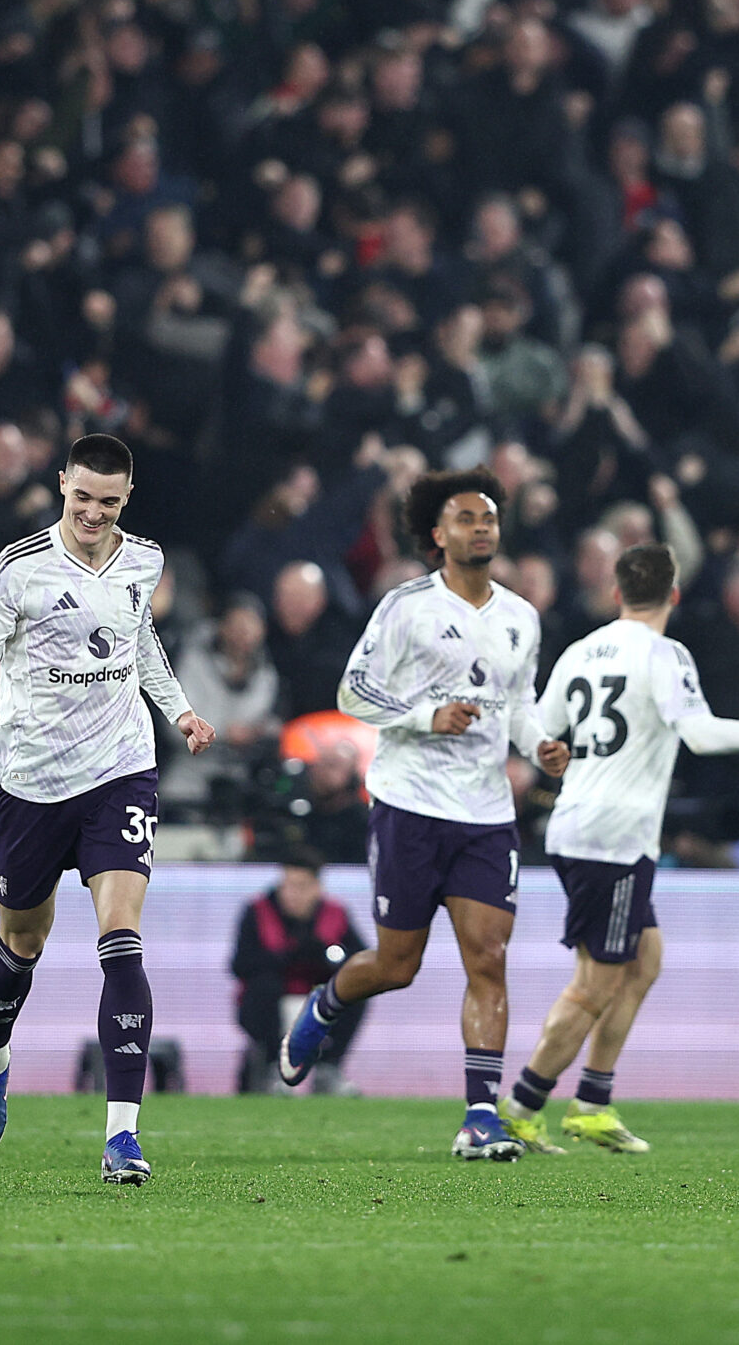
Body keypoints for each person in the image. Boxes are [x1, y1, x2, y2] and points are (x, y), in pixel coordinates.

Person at [500, 543, 739, 1156]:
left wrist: (543, 753)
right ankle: (522, 1107)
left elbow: (537, 727)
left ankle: (593, 1102)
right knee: (593, 984)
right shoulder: (665, 654)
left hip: (580, 825)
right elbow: (701, 734)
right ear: (675, 595)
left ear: (616, 594)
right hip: (614, 837)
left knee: (645, 960)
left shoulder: (581, 649)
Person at [0, 433, 214, 1185]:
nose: (94, 513)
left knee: (122, 938)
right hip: (31, 781)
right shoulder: (17, 568)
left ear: (127, 499)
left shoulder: (145, 561)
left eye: (109, 502)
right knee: (20, 944)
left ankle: (122, 1134)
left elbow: (141, 643)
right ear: (62, 483)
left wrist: (180, 711)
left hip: (120, 769)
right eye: (83, 497)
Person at [280, 468, 568, 1161]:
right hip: (410, 806)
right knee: (396, 964)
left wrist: (539, 744)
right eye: (467, 518)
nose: (481, 528)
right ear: (438, 534)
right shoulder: (406, 606)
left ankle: (480, 1117)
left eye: (489, 518)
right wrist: (426, 715)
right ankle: (326, 1002)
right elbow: (353, 692)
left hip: (486, 814)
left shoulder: (520, 617)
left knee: (488, 959)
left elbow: (519, 705)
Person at [230, 845, 367, 1095]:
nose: (293, 894)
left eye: (301, 886)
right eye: (288, 885)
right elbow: (240, 964)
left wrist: (322, 955)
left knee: (354, 991)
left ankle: (328, 1067)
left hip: (318, 998)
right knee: (263, 987)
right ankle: (273, 1066)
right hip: (271, 1000)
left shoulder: (335, 914)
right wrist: (285, 958)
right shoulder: (258, 911)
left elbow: (359, 962)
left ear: (317, 887)